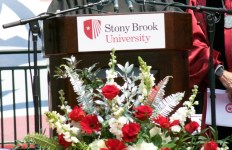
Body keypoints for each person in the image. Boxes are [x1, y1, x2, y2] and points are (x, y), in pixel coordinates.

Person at [46, 0, 232, 147]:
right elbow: (54, 26)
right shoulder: (69, 2)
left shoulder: (158, 1)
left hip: (151, 119)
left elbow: (182, 27)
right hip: (88, 118)